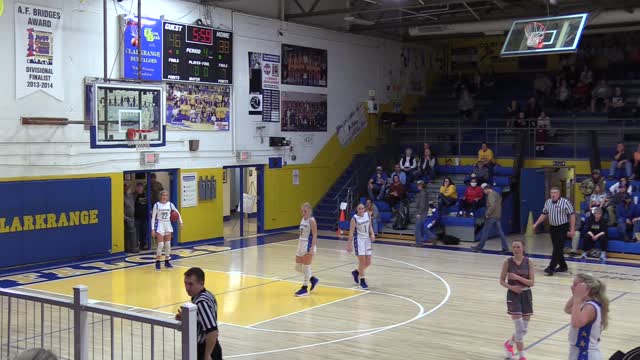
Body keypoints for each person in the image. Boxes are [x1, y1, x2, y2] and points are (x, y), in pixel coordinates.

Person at [500, 239, 535, 360]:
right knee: (519, 328)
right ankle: (522, 356)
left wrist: (516, 277)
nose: (515, 249)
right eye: (514, 247)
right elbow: (501, 281)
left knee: (523, 329)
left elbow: (532, 282)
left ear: (523, 248)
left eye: (518, 247)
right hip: (513, 296)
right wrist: (512, 287)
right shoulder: (507, 262)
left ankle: (509, 344)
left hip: (526, 295)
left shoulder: (529, 262)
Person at [178, 267, 223, 360]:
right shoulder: (207, 294)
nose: (187, 287)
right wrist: (186, 319)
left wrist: (207, 355)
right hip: (208, 348)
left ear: (201, 283)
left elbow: (212, 331)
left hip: (205, 349)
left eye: (191, 284)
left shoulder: (201, 302)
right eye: (185, 283)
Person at [564, 273, 609, 360]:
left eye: (575, 285)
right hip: (578, 352)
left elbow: (577, 323)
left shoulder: (590, 307)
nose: (571, 287)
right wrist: (577, 295)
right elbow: (567, 309)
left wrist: (578, 298)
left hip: (586, 354)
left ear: (586, 288)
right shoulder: (584, 302)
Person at [532, 187, 576, 276]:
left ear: (559, 194)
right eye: (551, 192)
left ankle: (551, 268)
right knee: (558, 248)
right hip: (553, 228)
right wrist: (536, 224)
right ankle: (563, 266)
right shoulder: (548, 202)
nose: (553, 194)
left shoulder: (565, 202)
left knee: (557, 248)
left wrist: (572, 229)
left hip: (562, 227)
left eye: (555, 193)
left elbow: (572, 216)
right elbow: (544, 214)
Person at [151, 190, 183, 270]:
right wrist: (152, 229)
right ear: (160, 196)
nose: (165, 197)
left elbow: (177, 212)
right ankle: (157, 262)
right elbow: (153, 217)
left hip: (167, 224)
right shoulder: (157, 205)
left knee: (168, 245)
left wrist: (181, 222)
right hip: (160, 225)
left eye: (166, 195)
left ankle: (167, 261)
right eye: (163, 195)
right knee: (161, 245)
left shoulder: (170, 204)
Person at [472, 184, 508, 253]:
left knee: (485, 232)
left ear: (487, 189)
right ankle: (505, 248)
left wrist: (487, 214)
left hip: (491, 216)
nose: (484, 192)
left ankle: (479, 247)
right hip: (497, 215)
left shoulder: (491, 195)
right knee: (500, 232)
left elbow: (492, 206)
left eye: (484, 190)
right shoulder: (496, 194)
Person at [347, 203, 375, 289]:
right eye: (359, 209)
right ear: (357, 209)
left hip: (367, 240)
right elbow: (351, 232)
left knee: (368, 262)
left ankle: (356, 272)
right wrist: (349, 244)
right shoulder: (354, 219)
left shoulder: (367, 215)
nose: (361, 210)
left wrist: (372, 234)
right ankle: (362, 281)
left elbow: (370, 225)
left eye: (362, 208)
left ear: (364, 209)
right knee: (362, 262)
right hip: (359, 240)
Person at [294, 203, 319, 296]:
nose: (303, 213)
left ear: (309, 211)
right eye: (302, 211)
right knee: (297, 267)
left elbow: (315, 234)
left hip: (307, 244)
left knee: (306, 266)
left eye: (305, 211)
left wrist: (312, 247)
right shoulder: (302, 219)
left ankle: (305, 288)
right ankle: (312, 279)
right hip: (300, 243)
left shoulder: (311, 220)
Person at [134, 182, 149, 250]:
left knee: (144, 231)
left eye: (141, 187)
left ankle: (144, 245)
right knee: (137, 232)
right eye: (138, 187)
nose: (140, 188)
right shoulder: (133, 195)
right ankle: (137, 245)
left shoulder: (145, 195)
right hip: (136, 217)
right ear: (136, 188)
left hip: (145, 217)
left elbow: (147, 205)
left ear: (143, 188)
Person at [414, 180, 429, 246]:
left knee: (417, 229)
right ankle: (433, 237)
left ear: (422, 185)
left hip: (421, 213)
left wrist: (419, 213)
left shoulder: (423, 193)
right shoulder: (423, 192)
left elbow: (422, 205)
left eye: (419, 185)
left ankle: (418, 243)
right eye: (417, 185)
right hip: (423, 212)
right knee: (422, 228)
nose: (418, 186)